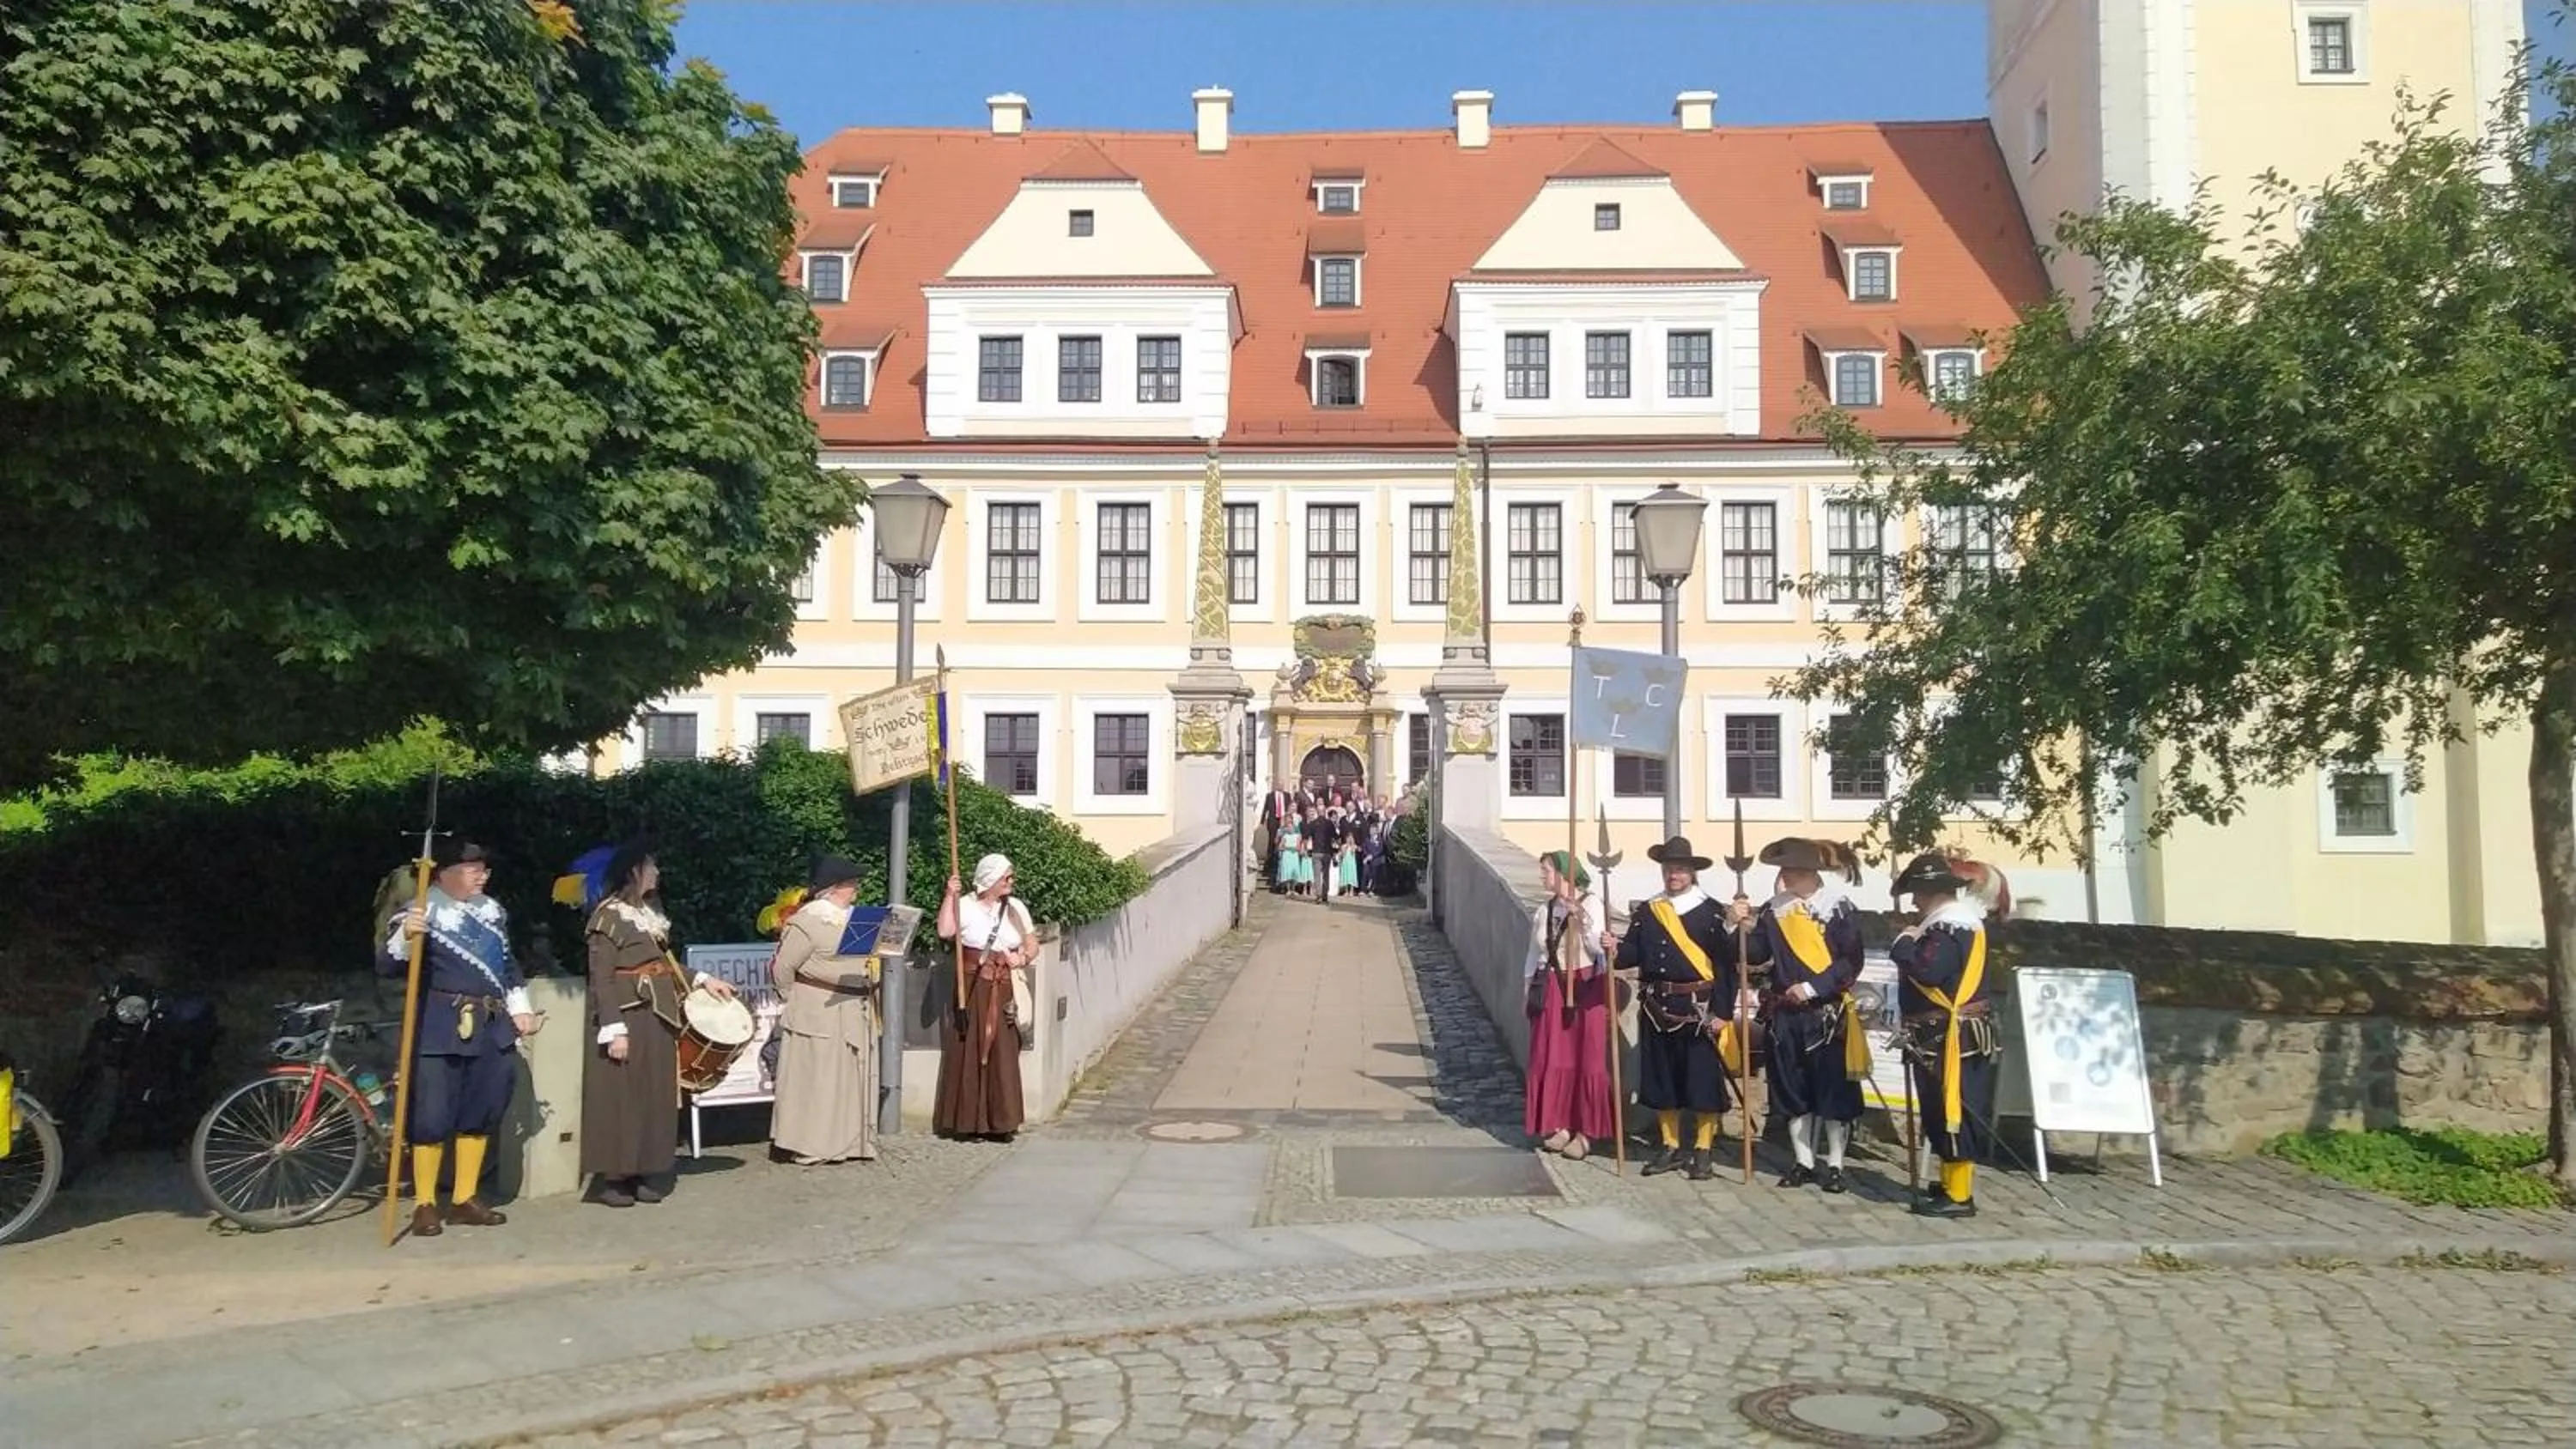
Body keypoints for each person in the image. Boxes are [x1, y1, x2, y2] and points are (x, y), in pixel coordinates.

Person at [380, 839, 538, 1239]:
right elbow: (387, 966)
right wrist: (406, 938)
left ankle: (465, 1198)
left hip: (490, 1023)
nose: (483, 876)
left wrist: (520, 1004)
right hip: (438, 1025)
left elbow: (507, 965)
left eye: (485, 869)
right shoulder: (420, 911)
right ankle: (425, 1203)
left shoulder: (492, 913)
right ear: (445, 873)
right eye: (473, 869)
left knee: (482, 1109)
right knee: (431, 1115)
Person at [581, 841, 738, 1207]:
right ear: (633, 872)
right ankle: (614, 1177)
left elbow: (663, 964)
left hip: (658, 1015)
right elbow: (600, 978)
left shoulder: (649, 915)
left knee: (653, 1093)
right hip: (627, 1015)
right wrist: (613, 1027)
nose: (657, 873)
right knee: (621, 1095)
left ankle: (646, 1169)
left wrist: (702, 980)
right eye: (651, 867)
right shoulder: (607, 918)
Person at [1733, 838, 1868, 1193]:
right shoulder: (1774, 910)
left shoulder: (1839, 909)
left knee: (1832, 1093)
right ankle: (1803, 1162)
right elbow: (1756, 954)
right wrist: (1741, 927)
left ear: (1811, 873)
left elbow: (1850, 962)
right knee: (1791, 1092)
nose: (1784, 876)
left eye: (1791, 870)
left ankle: (1836, 1165)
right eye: (1783, 870)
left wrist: (1811, 988)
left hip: (1826, 1014)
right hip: (1786, 1017)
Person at [1889, 851, 2013, 1220]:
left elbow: (1928, 971)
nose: (1913, 901)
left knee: (1952, 1111)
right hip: (1938, 1035)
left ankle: (1959, 1195)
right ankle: (1949, 1183)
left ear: (1930, 893)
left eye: (1917, 893)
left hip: (1949, 1035)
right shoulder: (1952, 924)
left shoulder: (1949, 926)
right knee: (1939, 1110)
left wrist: (1903, 944)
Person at [1616, 835, 1744, 1180]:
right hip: (1658, 1006)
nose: (1673, 875)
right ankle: (1670, 1145)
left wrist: (1722, 1012)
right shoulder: (1649, 910)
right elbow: (1630, 955)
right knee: (1662, 1081)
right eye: (1669, 868)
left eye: (1680, 869)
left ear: (1692, 873)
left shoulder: (1713, 912)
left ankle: (1703, 1149)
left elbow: (1725, 966)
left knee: (1702, 1081)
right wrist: (1611, 946)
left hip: (1698, 1008)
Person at [769, 855, 879, 1166]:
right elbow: (783, 968)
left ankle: (851, 1142)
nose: (856, 889)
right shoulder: (808, 920)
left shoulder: (859, 919)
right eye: (851, 884)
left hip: (854, 1006)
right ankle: (810, 1144)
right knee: (818, 1080)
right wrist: (798, 1000)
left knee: (848, 1077)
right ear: (834, 888)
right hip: (818, 1008)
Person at [934, 852, 1034, 1140]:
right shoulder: (963, 905)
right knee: (970, 1047)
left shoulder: (1015, 908)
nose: (1011, 882)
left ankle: (1001, 1122)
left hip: (1004, 985)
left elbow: (1032, 943)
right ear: (990, 880)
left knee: (1003, 1050)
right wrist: (949, 895)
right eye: (1006, 877)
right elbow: (945, 931)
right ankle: (968, 1123)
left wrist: (1023, 957)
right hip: (972, 983)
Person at [1523, 851, 1614, 1161]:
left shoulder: (1592, 905)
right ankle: (1559, 1123)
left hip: (1586, 984)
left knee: (1586, 1059)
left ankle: (1585, 1131)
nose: (1543, 876)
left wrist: (1582, 920)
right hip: (1552, 985)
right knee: (1554, 1058)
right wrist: (1528, 990)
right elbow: (1534, 953)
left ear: (1565, 874)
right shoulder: (1544, 910)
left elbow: (1598, 950)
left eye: (1547, 870)